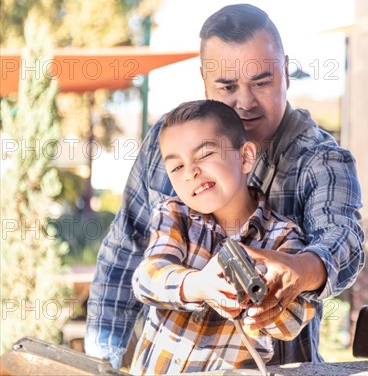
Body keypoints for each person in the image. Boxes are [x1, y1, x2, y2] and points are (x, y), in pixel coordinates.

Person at [85, 4, 365, 369]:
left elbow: (343, 238)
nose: (245, 102)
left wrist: (302, 270)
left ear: (286, 71)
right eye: (227, 86)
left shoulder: (321, 160)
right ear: (204, 79)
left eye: (262, 82)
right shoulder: (167, 143)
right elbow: (127, 250)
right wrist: (101, 361)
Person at [129, 100, 318, 375]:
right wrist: (198, 285)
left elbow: (294, 321)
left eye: (204, 155)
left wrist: (264, 305)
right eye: (177, 167)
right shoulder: (173, 214)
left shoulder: (283, 238)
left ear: (245, 157)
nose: (191, 172)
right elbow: (147, 277)